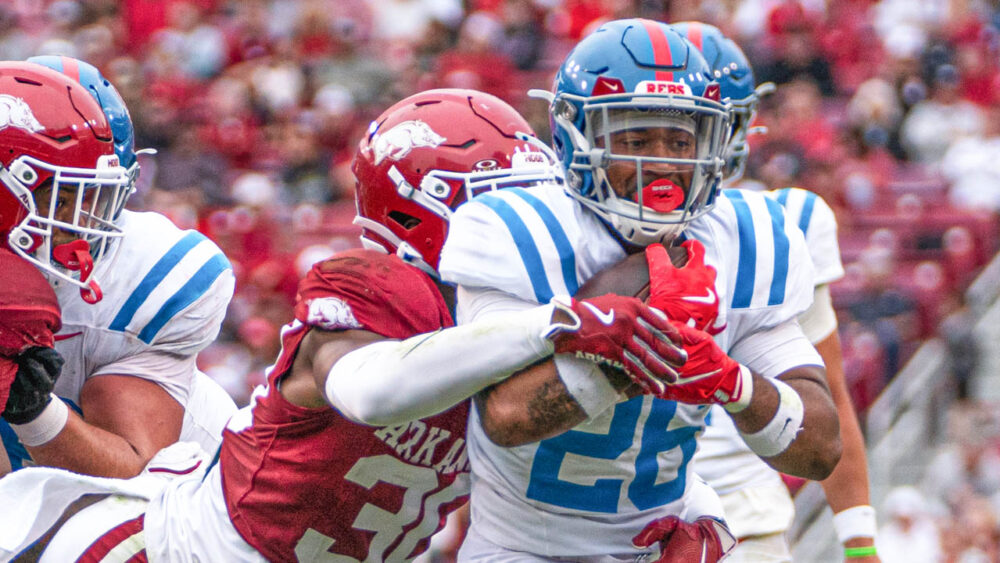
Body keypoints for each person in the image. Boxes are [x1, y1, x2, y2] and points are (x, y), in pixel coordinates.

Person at [0, 89, 683, 562]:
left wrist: (691, 514)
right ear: (421, 215)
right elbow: (371, 391)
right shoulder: (378, 289)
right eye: (510, 204)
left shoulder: (518, 329)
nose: (538, 226)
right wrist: (559, 322)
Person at [437, 18, 841, 561]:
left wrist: (732, 383)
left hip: (664, 537)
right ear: (575, 135)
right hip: (522, 547)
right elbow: (506, 415)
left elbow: (819, 447)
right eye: (635, 137)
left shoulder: (745, 237)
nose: (663, 162)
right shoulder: (516, 229)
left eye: (680, 140)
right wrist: (640, 354)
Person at [672, 22, 881, 562]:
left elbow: (828, 391)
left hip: (742, 513)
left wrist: (859, 544)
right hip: (599, 513)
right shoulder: (581, 227)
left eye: (720, 122)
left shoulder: (781, 221)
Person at [0, 58, 236, 479]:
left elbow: (130, 473)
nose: (87, 220)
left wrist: (29, 406)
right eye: (66, 195)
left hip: (178, 509)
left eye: (94, 194)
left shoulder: (143, 276)